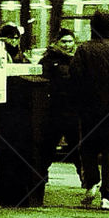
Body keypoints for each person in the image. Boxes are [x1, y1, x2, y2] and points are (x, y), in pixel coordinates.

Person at [69, 10, 109, 211]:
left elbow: (75, 77)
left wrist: (80, 101)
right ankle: (107, 195)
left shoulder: (83, 49)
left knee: (87, 148)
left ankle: (92, 182)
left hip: (88, 109)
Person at [41, 29, 79, 175]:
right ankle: (39, 177)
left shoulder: (78, 59)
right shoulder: (48, 60)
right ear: (57, 42)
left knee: (77, 148)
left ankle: (89, 182)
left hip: (72, 111)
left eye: (70, 41)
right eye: (64, 41)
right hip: (54, 111)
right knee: (48, 148)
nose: (67, 44)